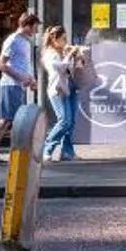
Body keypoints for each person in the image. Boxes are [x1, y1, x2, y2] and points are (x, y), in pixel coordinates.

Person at [0, 12, 41, 166]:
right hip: (10, 84)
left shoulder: (25, 42)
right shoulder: (13, 40)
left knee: (8, 120)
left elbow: (22, 65)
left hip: (17, 85)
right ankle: (14, 153)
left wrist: (31, 79)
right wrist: (21, 78)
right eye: (35, 26)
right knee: (11, 120)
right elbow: (0, 65)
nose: (36, 30)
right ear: (27, 25)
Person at [39, 26, 84, 163]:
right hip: (58, 90)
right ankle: (47, 148)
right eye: (63, 38)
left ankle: (67, 152)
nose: (66, 41)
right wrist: (69, 56)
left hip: (70, 88)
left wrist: (78, 57)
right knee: (64, 121)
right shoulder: (49, 54)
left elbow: (73, 69)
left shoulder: (64, 52)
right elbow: (58, 68)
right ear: (55, 39)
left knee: (71, 123)